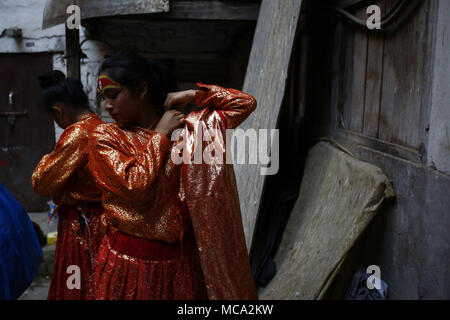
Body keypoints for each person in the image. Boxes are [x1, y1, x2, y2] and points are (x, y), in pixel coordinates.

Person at [88, 50, 258, 300]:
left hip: (180, 266)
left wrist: (192, 94)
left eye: (113, 95)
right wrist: (160, 134)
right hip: (125, 266)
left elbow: (244, 103)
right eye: (103, 97)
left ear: (142, 90)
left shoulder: (189, 129)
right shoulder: (105, 138)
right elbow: (135, 186)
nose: (107, 105)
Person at [31, 71, 104, 300]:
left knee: (77, 284)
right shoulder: (100, 126)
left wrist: (47, 158)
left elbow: (42, 182)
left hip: (80, 224)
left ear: (58, 111)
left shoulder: (77, 134)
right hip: (99, 221)